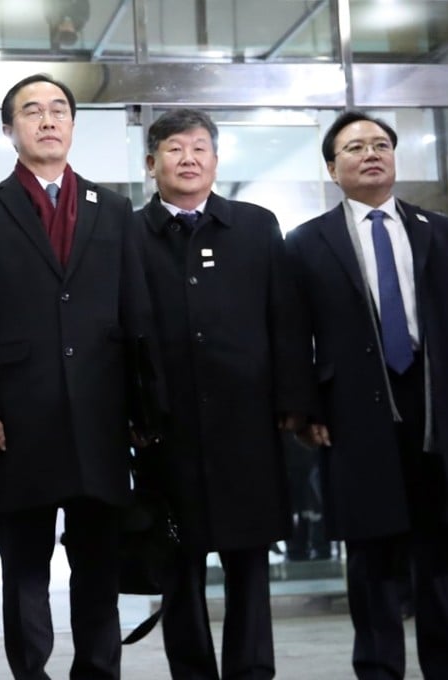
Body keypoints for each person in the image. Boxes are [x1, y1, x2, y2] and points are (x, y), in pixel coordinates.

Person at [0, 73, 156, 680]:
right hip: (18, 418)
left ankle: (97, 670)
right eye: (31, 111)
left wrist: (143, 414)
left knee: (99, 564)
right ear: (9, 129)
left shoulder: (112, 209)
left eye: (58, 110)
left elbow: (135, 313)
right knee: (25, 569)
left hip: (100, 416)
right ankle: (31, 672)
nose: (47, 120)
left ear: (71, 125)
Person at [285, 110, 448, 679]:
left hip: (435, 412)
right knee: (374, 562)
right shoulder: (306, 242)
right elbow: (293, 333)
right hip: (354, 419)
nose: (371, 153)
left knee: (443, 556)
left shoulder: (436, 230)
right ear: (333, 168)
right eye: (355, 147)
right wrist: (306, 411)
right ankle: (378, 668)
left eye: (381, 145)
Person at [134, 107, 314, 679]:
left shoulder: (256, 226)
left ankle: (251, 671)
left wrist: (293, 404)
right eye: (174, 149)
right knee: (178, 563)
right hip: (166, 427)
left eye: (199, 148)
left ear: (215, 159)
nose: (188, 159)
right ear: (150, 163)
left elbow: (285, 320)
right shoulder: (125, 234)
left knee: (249, 562)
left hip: (248, 427)